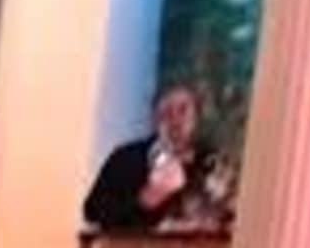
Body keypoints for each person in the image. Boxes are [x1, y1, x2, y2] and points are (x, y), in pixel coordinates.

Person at [85, 85, 225, 232]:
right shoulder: (126, 157)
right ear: (154, 118)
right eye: (166, 111)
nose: (175, 118)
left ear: (196, 117)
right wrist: (142, 201)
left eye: (183, 110)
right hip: (136, 245)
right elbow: (92, 211)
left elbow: (226, 211)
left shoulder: (211, 160)